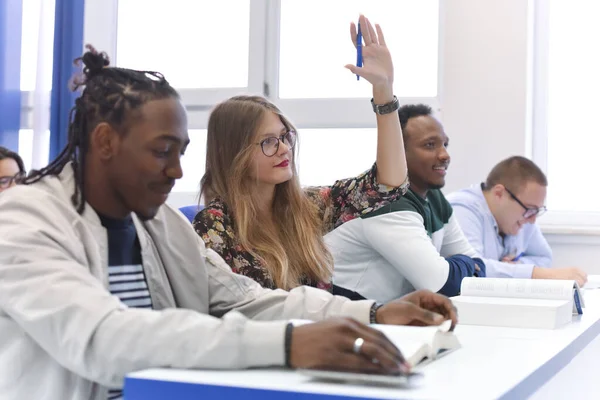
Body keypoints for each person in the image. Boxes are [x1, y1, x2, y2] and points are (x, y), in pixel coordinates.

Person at [0, 46, 457, 400]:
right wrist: (288, 345)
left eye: (180, 153)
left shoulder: (158, 224)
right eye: (162, 151)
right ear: (104, 142)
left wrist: (374, 313)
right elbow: (103, 337)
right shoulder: (23, 222)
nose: (177, 171)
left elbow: (248, 301)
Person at [193, 15, 409, 295]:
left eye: (285, 137)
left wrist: (384, 91)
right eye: (268, 142)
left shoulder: (305, 206)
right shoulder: (214, 225)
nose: (284, 149)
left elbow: (388, 184)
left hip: (317, 332)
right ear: (234, 153)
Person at [327, 104, 484, 303]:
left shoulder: (434, 197)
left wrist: (457, 265)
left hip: (386, 314)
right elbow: (442, 286)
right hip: (343, 316)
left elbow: (478, 266)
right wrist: (465, 264)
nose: (445, 155)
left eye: (445, 144)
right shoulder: (386, 204)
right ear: (397, 153)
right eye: (430, 145)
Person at [447, 156, 587, 287]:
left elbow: (544, 258)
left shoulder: (525, 215)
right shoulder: (462, 209)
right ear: (499, 194)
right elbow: (471, 268)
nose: (532, 220)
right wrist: (537, 274)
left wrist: (517, 265)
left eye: (537, 211)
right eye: (530, 209)